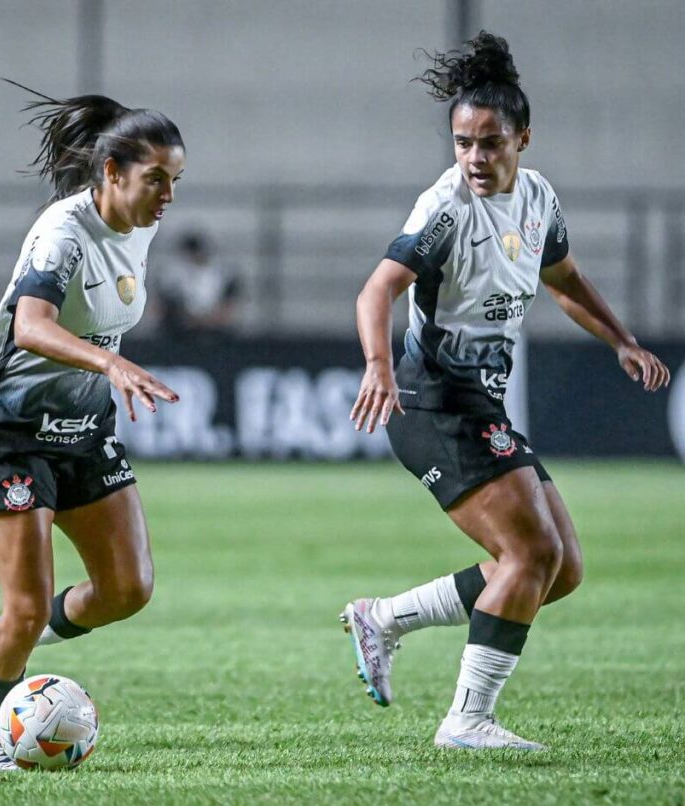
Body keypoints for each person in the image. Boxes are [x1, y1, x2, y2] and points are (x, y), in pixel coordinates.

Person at [342, 32, 670, 750]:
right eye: (463, 143)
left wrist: (621, 339)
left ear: (522, 138)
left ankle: (385, 618)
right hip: (432, 404)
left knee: (561, 569)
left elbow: (564, 281)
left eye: (490, 143)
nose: (475, 158)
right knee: (530, 556)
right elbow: (378, 289)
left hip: (480, 406)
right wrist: (378, 363)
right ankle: (466, 720)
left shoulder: (538, 197)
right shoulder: (446, 208)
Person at [0, 81, 184, 772]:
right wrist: (108, 362)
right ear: (111, 174)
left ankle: (8, 636)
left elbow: (38, 312)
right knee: (25, 607)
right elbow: (33, 322)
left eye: (175, 181)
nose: (167, 196)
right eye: (156, 180)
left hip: (82, 425)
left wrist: (83, 358)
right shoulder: (64, 228)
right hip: (13, 430)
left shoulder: (139, 225)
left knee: (127, 590)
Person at [154, 231, 241, 334]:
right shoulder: (174, 273)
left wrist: (213, 317)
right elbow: (164, 304)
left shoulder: (218, 273)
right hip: (181, 327)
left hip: (214, 325)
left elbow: (230, 299)